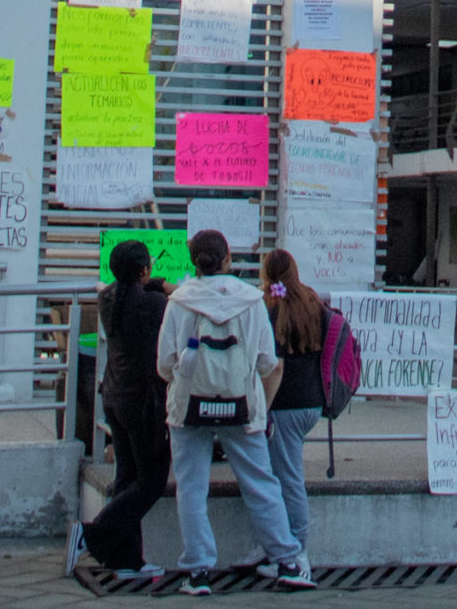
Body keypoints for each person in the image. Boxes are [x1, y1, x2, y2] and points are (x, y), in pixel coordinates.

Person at [156, 230, 313, 593]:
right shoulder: (251, 301)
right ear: (228, 259)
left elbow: (165, 363)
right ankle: (288, 560)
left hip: (188, 406)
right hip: (243, 406)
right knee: (260, 482)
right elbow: (266, 361)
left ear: (194, 261)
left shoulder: (180, 301)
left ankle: (197, 571)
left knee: (191, 488)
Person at [74, 238, 172, 582]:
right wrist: (162, 286)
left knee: (127, 479)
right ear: (145, 270)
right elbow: (164, 301)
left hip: (114, 397)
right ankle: (92, 533)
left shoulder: (107, 298)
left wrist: (155, 283)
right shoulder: (154, 306)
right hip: (143, 404)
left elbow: (142, 288)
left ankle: (127, 560)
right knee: (151, 483)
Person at [259, 250, 327, 571]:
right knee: (285, 476)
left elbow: (275, 367)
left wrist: (262, 409)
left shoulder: (271, 309)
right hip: (312, 402)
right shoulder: (312, 301)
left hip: (284, 406)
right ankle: (284, 550)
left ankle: (297, 555)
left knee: (288, 479)